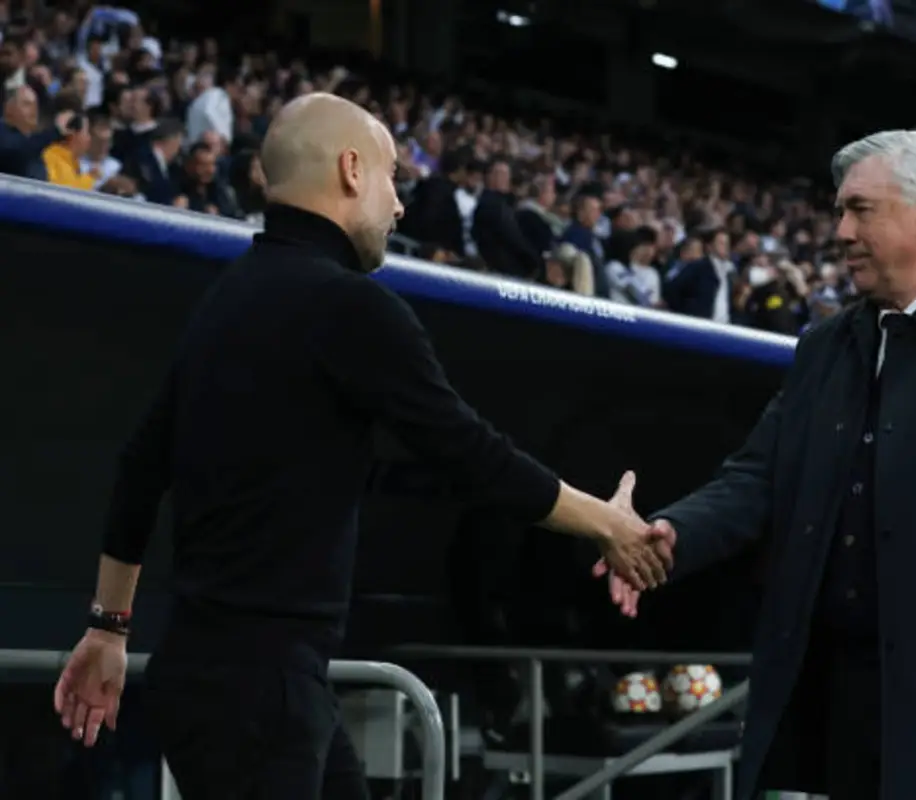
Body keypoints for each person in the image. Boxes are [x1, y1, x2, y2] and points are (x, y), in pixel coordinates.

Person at [51, 93, 669, 799]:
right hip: (260, 693)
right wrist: (609, 525)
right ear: (351, 170)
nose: (400, 206)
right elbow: (471, 455)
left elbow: (138, 467)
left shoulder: (227, 297)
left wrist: (107, 628)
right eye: (391, 178)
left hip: (229, 679)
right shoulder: (352, 307)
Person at [597, 130, 916, 799]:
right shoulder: (825, 345)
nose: (840, 231)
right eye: (840, 211)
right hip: (841, 699)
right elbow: (757, 476)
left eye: (860, 209)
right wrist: (671, 534)